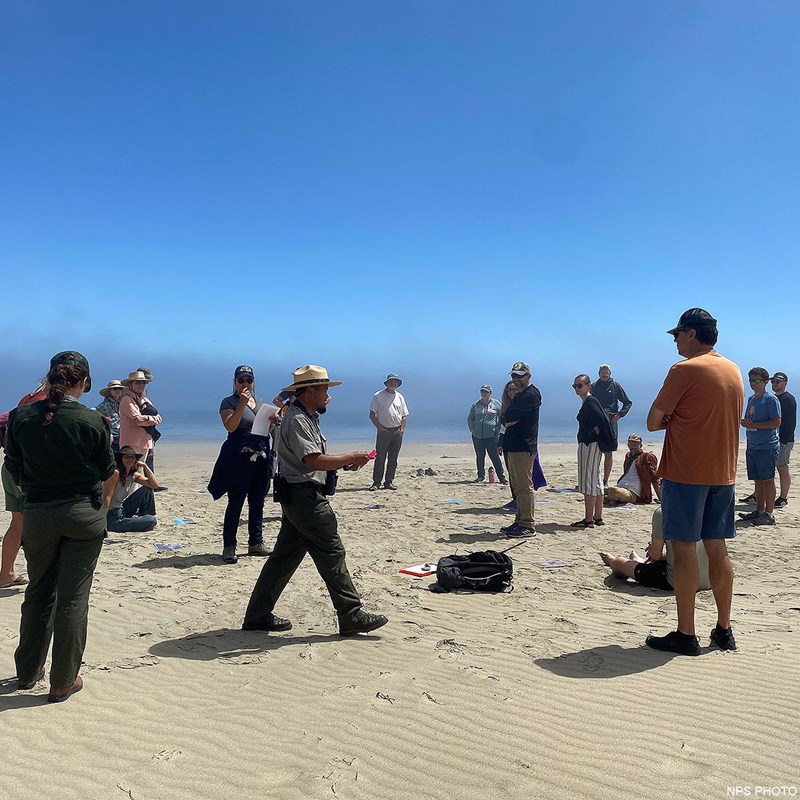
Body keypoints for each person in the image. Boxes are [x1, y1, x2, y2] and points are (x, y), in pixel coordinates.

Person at [242, 365, 388, 636]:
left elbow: (315, 461)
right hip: (304, 497)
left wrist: (343, 464)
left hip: (299, 495)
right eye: (324, 391)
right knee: (332, 553)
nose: (328, 397)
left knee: (283, 559)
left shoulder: (305, 417)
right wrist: (350, 457)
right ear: (309, 391)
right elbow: (311, 461)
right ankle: (351, 613)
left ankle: (257, 615)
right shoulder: (297, 419)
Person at [4, 351, 116, 701]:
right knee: (73, 597)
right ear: (84, 383)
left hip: (38, 511)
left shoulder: (22, 416)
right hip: (81, 512)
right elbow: (107, 470)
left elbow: (15, 468)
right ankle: (63, 679)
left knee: (39, 590)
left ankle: (27, 671)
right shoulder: (91, 420)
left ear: (50, 378)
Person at [645, 308, 743, 656]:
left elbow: (653, 421)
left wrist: (674, 417)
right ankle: (724, 629)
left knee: (683, 548)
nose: (674, 341)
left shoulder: (684, 370)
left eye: (677, 335)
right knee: (717, 548)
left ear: (691, 334)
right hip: (723, 473)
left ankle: (686, 633)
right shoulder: (733, 370)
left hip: (687, 473)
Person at [207, 365, 273, 564]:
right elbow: (230, 426)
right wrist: (242, 404)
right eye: (241, 380)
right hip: (238, 457)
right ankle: (229, 546)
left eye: (249, 380)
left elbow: (265, 429)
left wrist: (273, 421)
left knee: (257, 500)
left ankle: (255, 542)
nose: (246, 384)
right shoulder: (229, 402)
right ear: (235, 382)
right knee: (235, 502)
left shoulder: (260, 403)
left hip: (260, 454)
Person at [0, 381, 51, 589]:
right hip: (28, 470)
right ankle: (40, 575)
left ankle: (6, 573)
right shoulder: (45, 405)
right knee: (40, 523)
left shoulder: (27, 399)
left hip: (10, 466)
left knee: (18, 523)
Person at [599, 507, 710, 592]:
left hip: (677, 581)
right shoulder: (703, 507)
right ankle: (639, 562)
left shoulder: (663, 511)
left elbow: (655, 555)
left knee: (618, 562)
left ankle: (616, 562)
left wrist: (653, 549)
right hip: (709, 579)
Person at [498, 361, 541, 537]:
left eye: (520, 376)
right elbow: (505, 419)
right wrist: (506, 420)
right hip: (513, 446)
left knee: (524, 486)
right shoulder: (519, 395)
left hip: (523, 446)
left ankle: (527, 524)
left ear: (528, 376)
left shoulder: (530, 395)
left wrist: (507, 420)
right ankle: (519, 520)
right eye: (514, 376)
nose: (516, 379)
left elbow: (509, 418)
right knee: (516, 486)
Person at [738, 367, 781, 526]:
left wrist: (756, 424)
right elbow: (747, 419)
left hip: (767, 446)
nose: (752, 383)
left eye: (756, 380)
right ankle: (759, 510)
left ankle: (769, 514)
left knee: (768, 479)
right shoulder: (751, 399)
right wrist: (745, 423)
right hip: (753, 445)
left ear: (764, 382)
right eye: (750, 380)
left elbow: (776, 422)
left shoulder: (770, 400)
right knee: (757, 479)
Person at [572, 374, 615, 528]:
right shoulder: (590, 402)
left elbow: (599, 421)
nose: (577, 388)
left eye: (580, 385)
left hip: (590, 445)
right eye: (575, 386)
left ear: (588, 385)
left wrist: (593, 433)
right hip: (593, 445)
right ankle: (597, 517)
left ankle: (589, 518)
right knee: (596, 481)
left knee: (588, 481)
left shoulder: (590, 402)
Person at [497, 381, 546, 512]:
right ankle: (516, 503)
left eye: (513, 389)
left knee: (525, 481)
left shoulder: (527, 398)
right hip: (510, 444)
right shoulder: (508, 405)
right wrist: (500, 443)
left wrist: (508, 420)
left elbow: (513, 419)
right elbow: (504, 423)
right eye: (509, 390)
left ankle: (525, 516)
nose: (511, 392)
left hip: (523, 446)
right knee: (514, 477)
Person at [591, 364, 632, 486]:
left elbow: (627, 402)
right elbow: (588, 404)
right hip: (596, 422)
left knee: (608, 452)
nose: (605, 374)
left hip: (610, 422)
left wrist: (619, 415)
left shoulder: (615, 386)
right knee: (594, 452)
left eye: (607, 372)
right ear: (599, 373)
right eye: (603, 372)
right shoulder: (593, 386)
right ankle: (593, 479)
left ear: (610, 373)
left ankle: (605, 481)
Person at [368, 373, 409, 491]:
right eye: (391, 381)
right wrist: (380, 428)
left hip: (397, 432)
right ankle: (376, 482)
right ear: (386, 383)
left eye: (395, 381)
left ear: (397, 384)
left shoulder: (400, 397)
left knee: (393, 458)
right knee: (380, 458)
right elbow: (372, 415)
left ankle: (389, 482)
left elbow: (404, 415)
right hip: (384, 432)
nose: (393, 383)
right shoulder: (378, 395)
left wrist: (401, 430)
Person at [107, 446, 159, 533]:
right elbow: (106, 497)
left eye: (132, 457)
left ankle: (145, 516)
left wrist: (145, 466)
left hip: (122, 509)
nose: (130, 459)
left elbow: (154, 485)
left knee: (146, 489)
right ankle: (144, 519)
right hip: (112, 517)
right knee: (151, 520)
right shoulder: (115, 474)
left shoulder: (133, 475)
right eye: (126, 457)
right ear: (121, 459)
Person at [118, 370, 162, 469]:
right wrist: (151, 419)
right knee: (130, 471)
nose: (141, 385)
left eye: (143, 382)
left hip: (145, 441)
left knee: (139, 472)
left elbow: (159, 418)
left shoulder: (145, 399)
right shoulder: (126, 399)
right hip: (131, 442)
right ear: (130, 384)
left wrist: (146, 418)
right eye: (137, 382)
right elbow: (137, 420)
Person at [466, 385, 507, 484]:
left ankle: (501, 477)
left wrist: (498, 430)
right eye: (482, 392)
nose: (484, 394)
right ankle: (480, 476)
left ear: (490, 393)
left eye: (486, 392)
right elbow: (470, 418)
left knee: (494, 456)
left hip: (492, 435)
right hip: (477, 436)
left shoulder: (496, 404)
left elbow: (502, 418)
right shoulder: (476, 404)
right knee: (480, 456)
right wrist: (472, 428)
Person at [606, 434, 661, 505]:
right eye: (631, 444)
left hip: (633, 491)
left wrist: (660, 498)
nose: (633, 446)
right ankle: (611, 499)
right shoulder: (628, 456)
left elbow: (654, 478)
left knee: (613, 491)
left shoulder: (647, 456)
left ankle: (610, 498)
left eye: (635, 444)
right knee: (600, 490)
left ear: (640, 445)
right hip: (621, 486)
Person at [771, 372, 795, 508]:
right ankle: (757, 494)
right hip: (772, 439)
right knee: (767, 468)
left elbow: (791, 422)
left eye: (777, 382)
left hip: (784, 439)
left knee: (782, 467)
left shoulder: (788, 399)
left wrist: (784, 441)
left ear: (784, 383)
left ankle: (783, 497)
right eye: (773, 382)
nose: (774, 384)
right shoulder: (772, 399)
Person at [94, 380, 124, 451]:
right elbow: (94, 411)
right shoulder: (105, 404)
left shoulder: (120, 404)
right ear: (110, 391)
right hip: (112, 433)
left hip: (120, 432)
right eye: (115, 389)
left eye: (120, 389)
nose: (118, 390)